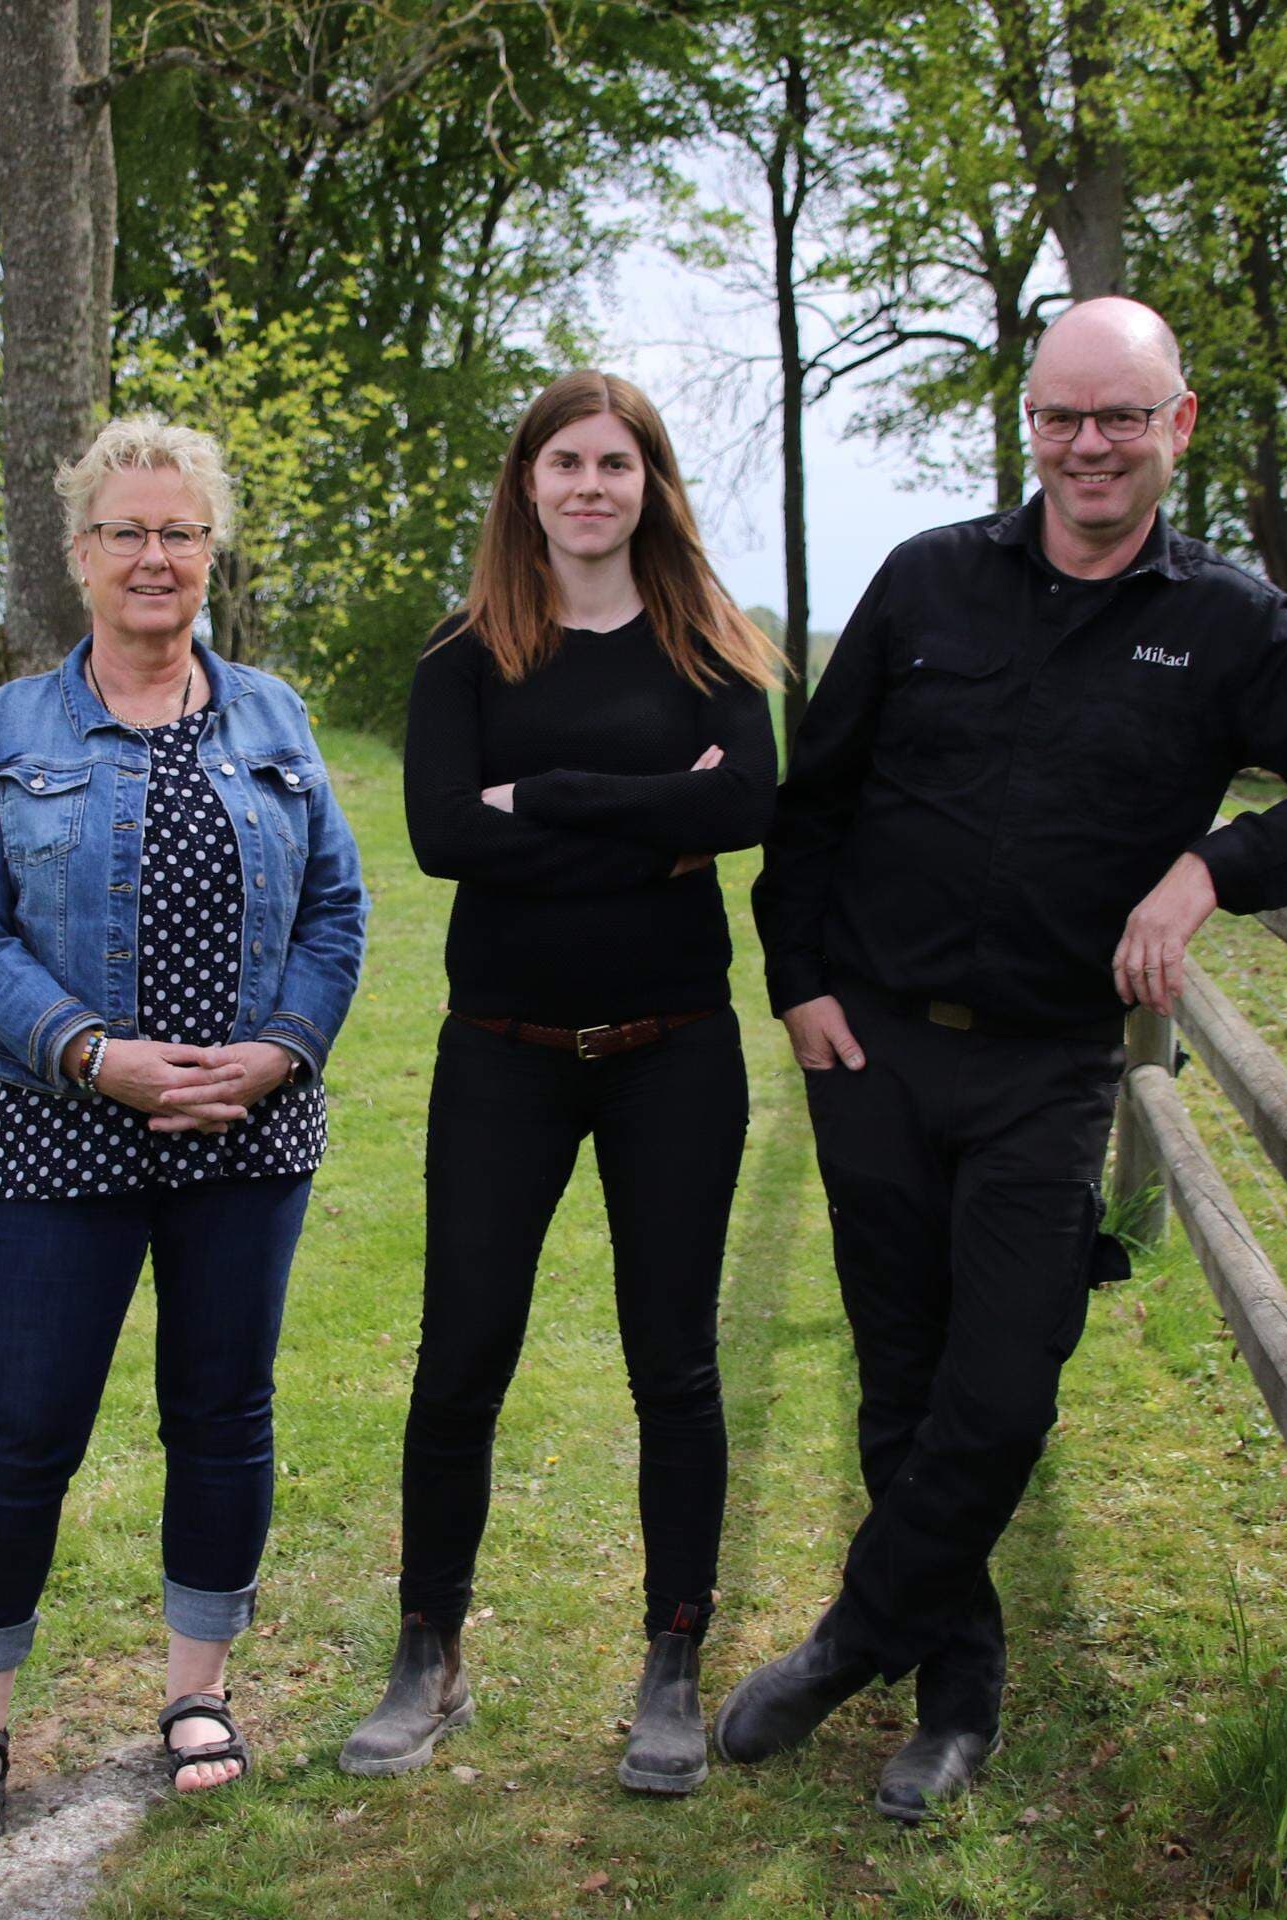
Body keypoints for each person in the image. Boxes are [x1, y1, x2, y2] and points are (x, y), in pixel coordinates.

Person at [727, 297, 1287, 1822]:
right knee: (904, 1383)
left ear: (1178, 426)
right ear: (1028, 423)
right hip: (874, 1049)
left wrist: (1212, 868)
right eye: (1063, 415)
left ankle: (852, 1637)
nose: (1089, 445)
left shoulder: (1230, 622)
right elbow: (818, 805)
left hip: (1051, 1069)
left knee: (998, 1388)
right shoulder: (925, 585)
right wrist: (798, 989)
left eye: (1123, 416)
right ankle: (955, 1693)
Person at [0, 413, 366, 1845]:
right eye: (127, 532)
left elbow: (339, 913)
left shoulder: (276, 720)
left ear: (210, 550)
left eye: (179, 532)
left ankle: (197, 1692)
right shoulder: (12, 727)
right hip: (62, 1132)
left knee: (222, 1418)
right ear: (79, 556)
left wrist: (282, 1050)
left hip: (248, 1135)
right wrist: (87, 1051)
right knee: (24, 1427)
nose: (154, 557)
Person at [337, 370, 780, 1797]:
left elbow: (747, 809)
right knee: (461, 1355)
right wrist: (656, 822)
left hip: (674, 1055)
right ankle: (429, 1656)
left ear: (650, 483)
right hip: (504, 1057)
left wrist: (553, 800)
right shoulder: (464, 655)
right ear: (525, 484)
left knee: (676, 1362)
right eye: (564, 463)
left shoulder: (714, 647)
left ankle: (670, 1660)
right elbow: (441, 839)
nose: (590, 486)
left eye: (617, 463)